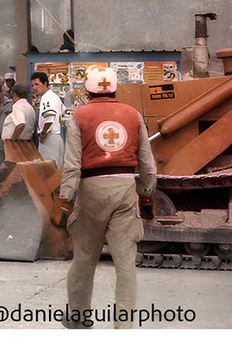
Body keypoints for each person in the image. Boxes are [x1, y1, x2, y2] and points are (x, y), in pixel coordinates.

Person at [54, 67, 156, 329]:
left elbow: (73, 164)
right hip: (124, 188)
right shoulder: (132, 114)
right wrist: (146, 195)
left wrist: (65, 199)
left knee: (85, 259)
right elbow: (147, 162)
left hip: (91, 191)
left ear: (88, 91)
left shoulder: (79, 116)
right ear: (115, 89)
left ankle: (78, 317)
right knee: (125, 265)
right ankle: (123, 329)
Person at [33, 71, 65, 166]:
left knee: (49, 169)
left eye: (37, 84)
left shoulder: (47, 98)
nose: (34, 87)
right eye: (32, 85)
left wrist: (43, 133)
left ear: (45, 84)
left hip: (49, 137)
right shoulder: (54, 96)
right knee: (56, 167)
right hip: (56, 137)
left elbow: (49, 117)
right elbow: (65, 113)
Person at [2, 81, 38, 161]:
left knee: (15, 167)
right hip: (26, 142)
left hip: (16, 143)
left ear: (14, 94)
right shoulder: (29, 107)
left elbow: (21, 124)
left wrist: (13, 140)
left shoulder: (17, 106)